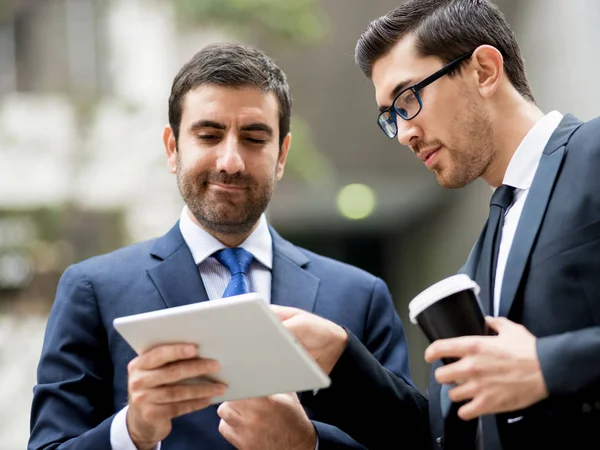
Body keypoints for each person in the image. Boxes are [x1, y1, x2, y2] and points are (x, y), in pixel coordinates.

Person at [28, 43, 419, 450]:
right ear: (172, 149)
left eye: (253, 138)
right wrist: (133, 431)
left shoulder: (360, 297)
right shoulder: (92, 290)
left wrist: (307, 444)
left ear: (282, 155)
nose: (230, 161)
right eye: (209, 135)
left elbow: (411, 442)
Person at [269, 1, 600, 449]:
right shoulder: (478, 259)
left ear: (483, 70)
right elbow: (444, 433)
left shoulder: (593, 153)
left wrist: (549, 365)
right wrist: (340, 359)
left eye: (408, 99)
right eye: (391, 116)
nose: (403, 133)